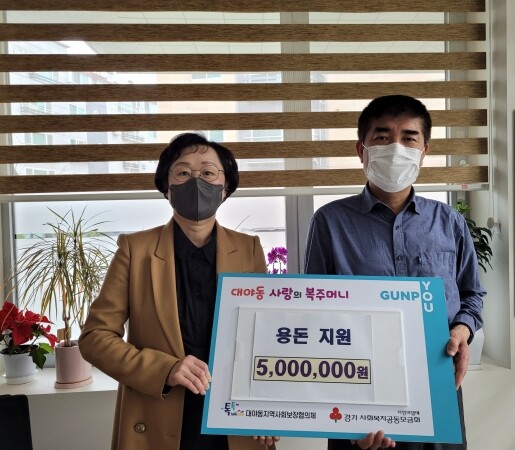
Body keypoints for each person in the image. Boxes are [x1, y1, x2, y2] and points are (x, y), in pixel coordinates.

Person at [304, 95, 485, 450]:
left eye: (409, 138)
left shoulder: (449, 222)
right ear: (362, 150)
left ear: (424, 151)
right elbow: (313, 307)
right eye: (383, 137)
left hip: (435, 382)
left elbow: (472, 294)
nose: (396, 148)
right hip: (356, 386)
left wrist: (462, 330)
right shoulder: (330, 221)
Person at [79, 132, 277, 450]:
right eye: (183, 172)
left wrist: (273, 406)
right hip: (158, 413)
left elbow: (264, 337)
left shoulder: (248, 249)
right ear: (166, 187)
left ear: (225, 187)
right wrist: (165, 369)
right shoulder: (135, 250)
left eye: (208, 172)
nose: (196, 181)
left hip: (234, 417)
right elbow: (95, 338)